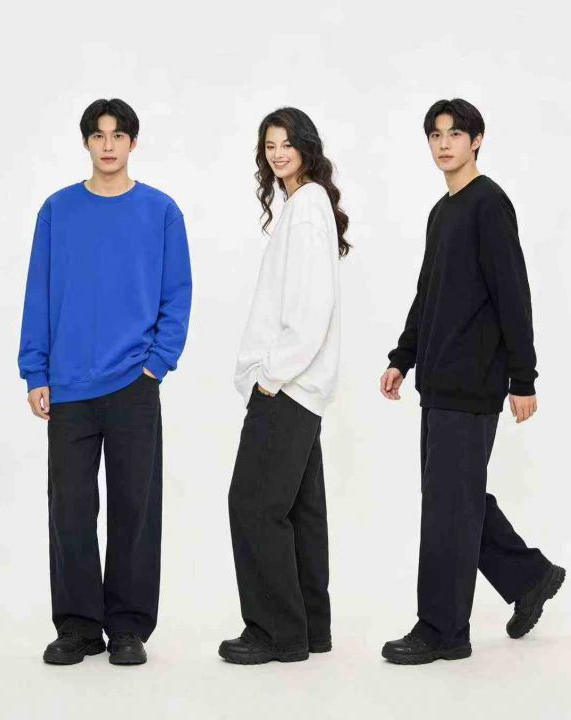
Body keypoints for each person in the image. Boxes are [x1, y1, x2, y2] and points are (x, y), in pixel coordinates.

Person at [380, 98, 565, 665]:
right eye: (435, 135)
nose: (444, 144)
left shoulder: (489, 204)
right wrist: (403, 357)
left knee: (448, 507)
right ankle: (529, 577)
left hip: (472, 383)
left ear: (477, 139)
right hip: (437, 383)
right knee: (453, 500)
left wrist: (523, 378)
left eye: (455, 134)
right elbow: (427, 293)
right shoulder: (443, 212)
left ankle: (443, 631)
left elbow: (514, 293)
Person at [18, 98, 192, 666]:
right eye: (98, 135)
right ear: (86, 142)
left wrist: (157, 363)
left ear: (133, 142)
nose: (108, 145)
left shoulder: (161, 211)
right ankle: (77, 626)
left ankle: (127, 627)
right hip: (68, 385)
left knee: (133, 510)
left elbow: (177, 294)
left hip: (133, 384)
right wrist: (35, 369)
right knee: (69, 510)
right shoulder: (57, 211)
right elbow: (39, 292)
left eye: (118, 135)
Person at [219, 107, 350, 664]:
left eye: (287, 143)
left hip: (288, 386)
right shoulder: (303, 205)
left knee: (252, 504)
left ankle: (277, 633)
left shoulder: (308, 207)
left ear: (306, 147)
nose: (277, 154)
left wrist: (269, 376)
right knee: (298, 511)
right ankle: (310, 629)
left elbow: (312, 307)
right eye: (269, 145)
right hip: (299, 386)